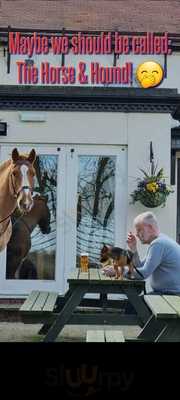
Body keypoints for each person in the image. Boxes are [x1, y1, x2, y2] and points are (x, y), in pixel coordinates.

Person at [127, 211, 180, 294]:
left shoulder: (159, 243)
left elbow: (142, 274)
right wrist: (133, 248)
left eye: (139, 230)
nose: (136, 234)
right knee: (134, 304)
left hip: (172, 296)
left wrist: (119, 270)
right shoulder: (159, 241)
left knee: (133, 305)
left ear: (150, 227)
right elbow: (140, 267)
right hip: (168, 294)